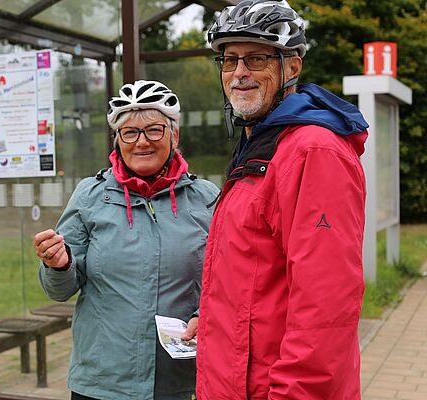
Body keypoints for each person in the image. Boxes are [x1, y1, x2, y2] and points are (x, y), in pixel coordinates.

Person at [194, 1, 369, 399]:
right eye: (229, 59)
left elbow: (325, 308)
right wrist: (213, 323)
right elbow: (257, 275)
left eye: (256, 58)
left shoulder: (312, 151)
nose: (239, 73)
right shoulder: (262, 142)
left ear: (292, 66)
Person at [34, 80, 219, 400]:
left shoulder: (205, 199)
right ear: (118, 140)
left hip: (177, 382)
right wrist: (59, 264)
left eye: (154, 130)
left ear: (174, 135)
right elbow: (58, 290)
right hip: (102, 382)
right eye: (129, 132)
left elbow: (227, 280)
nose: (141, 142)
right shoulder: (90, 196)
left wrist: (206, 317)